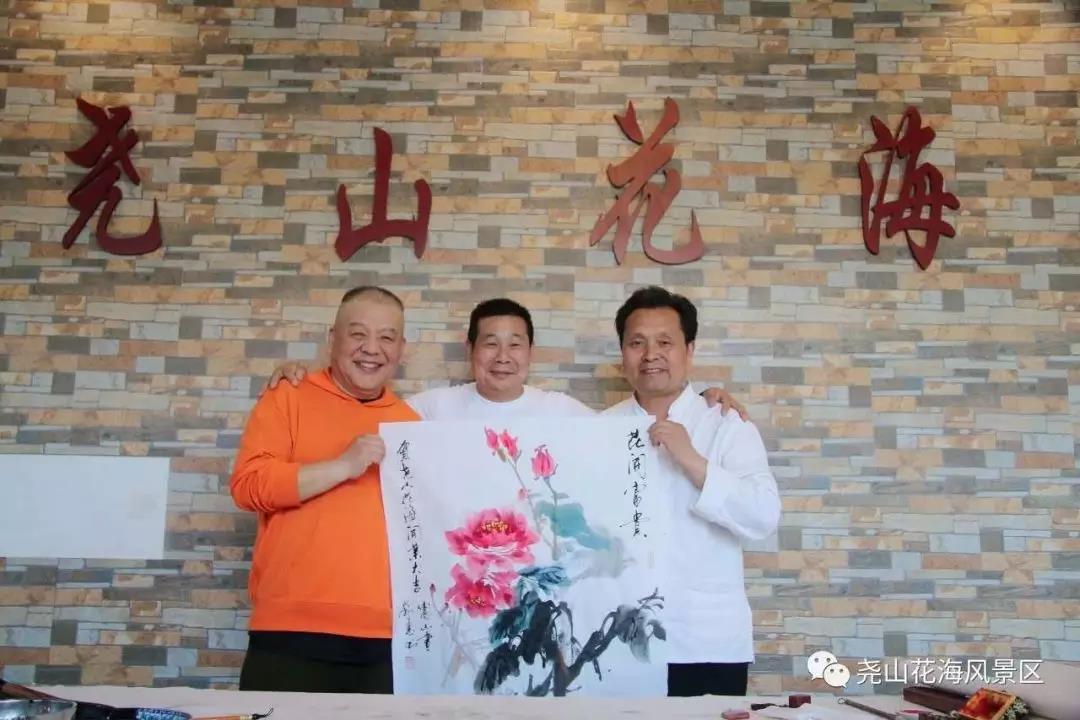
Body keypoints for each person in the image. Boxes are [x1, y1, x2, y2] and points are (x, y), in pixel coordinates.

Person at [229, 286, 418, 693]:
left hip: (386, 638)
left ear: (402, 349)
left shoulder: (412, 424)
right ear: (332, 339)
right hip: (288, 630)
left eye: (386, 337)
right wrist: (343, 466)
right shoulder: (288, 395)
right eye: (358, 334)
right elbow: (248, 486)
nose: (372, 349)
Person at [603, 286, 781, 697]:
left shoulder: (726, 424)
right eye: (637, 343)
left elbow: (763, 515)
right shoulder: (599, 429)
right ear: (623, 354)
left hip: (706, 639)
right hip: (619, 640)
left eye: (665, 342)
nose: (651, 354)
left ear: (689, 350)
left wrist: (692, 461)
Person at [266, 297, 748, 421]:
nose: (502, 357)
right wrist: (308, 377)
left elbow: (635, 431)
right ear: (470, 350)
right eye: (490, 343)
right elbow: (361, 412)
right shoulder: (427, 409)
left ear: (530, 354)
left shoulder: (565, 413)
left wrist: (700, 398)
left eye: (515, 344)